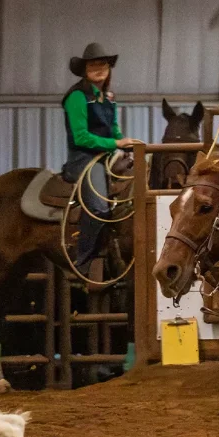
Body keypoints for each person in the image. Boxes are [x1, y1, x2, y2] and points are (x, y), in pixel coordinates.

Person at [62, 43, 137, 271]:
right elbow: (81, 137)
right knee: (99, 207)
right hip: (84, 158)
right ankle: (82, 260)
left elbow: (113, 127)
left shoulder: (108, 97)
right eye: (93, 65)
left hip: (107, 155)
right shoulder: (76, 97)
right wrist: (115, 143)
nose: (98, 69)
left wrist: (124, 144)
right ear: (85, 70)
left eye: (102, 64)